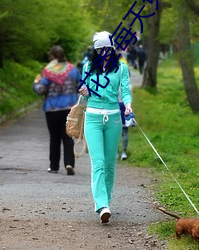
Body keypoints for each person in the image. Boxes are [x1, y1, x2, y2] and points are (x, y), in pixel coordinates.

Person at [79, 31, 132, 223]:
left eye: (108, 49)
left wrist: (127, 104)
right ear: (96, 50)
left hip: (114, 119)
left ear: (112, 49)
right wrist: (84, 92)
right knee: (98, 163)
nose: (105, 53)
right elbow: (85, 97)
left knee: (110, 164)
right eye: (100, 49)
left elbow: (125, 90)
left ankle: (106, 201)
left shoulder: (121, 68)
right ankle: (101, 204)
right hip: (92, 118)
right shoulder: (87, 67)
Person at [33, 45, 81, 175]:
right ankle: (69, 163)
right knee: (68, 136)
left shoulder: (48, 71)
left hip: (52, 109)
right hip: (69, 109)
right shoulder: (73, 70)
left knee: (54, 138)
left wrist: (36, 83)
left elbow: (41, 90)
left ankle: (54, 167)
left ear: (52, 57)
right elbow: (80, 86)